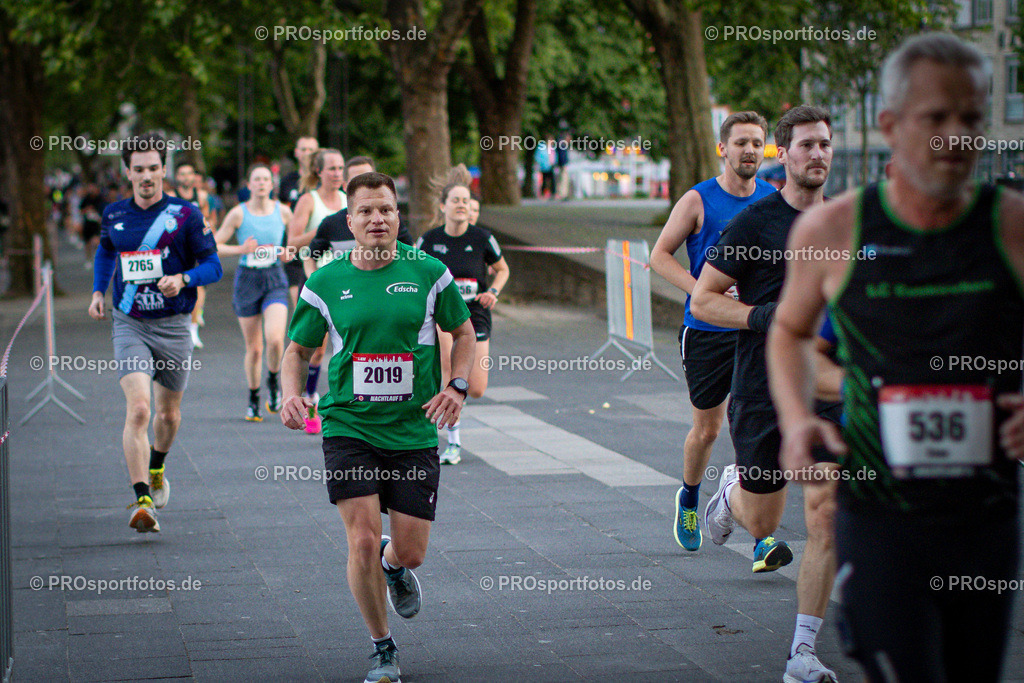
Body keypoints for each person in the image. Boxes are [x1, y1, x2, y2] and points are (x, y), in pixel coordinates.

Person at [768, 33, 1024, 683]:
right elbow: (790, 331)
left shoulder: (1012, 226)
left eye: (970, 117)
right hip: (876, 509)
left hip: (983, 514)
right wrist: (798, 417)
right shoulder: (833, 231)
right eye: (936, 118)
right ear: (889, 126)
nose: (957, 136)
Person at [280, 171, 475, 683]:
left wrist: (456, 385)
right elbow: (296, 351)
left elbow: (464, 331)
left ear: (397, 216)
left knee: (410, 549)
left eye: (385, 209)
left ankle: (395, 566)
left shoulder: (431, 272)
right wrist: (290, 393)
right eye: (365, 211)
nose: (376, 219)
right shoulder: (324, 281)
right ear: (350, 220)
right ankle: (382, 646)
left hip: (412, 430)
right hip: (348, 425)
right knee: (362, 539)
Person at [692, 106, 840, 682]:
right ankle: (734, 493)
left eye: (825, 144)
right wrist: (765, 317)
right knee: (764, 520)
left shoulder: (847, 224)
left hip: (827, 389)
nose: (818, 155)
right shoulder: (756, 223)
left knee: (826, 515)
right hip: (761, 387)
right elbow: (704, 301)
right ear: (785, 154)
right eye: (806, 145)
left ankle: (802, 652)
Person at [649, 111, 775, 552]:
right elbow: (660, 255)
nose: (750, 151)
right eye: (741, 142)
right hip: (704, 330)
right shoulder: (698, 200)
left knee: (753, 425)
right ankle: (689, 495)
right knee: (709, 430)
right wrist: (701, 291)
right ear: (723, 149)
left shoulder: (771, 200)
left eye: (757, 143)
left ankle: (758, 531)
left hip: (754, 329)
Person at [89, 132, 223, 533]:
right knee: (140, 409)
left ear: (162, 169)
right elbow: (106, 250)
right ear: (127, 172)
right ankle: (141, 498)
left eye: (153, 168)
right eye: (138, 169)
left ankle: (158, 466)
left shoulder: (186, 214)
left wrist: (183, 278)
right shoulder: (114, 214)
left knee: (167, 413)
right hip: (129, 323)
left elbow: (213, 266)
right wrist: (98, 291)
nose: (146, 176)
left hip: (175, 326)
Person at [416, 165, 510, 465]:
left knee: (477, 387)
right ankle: (453, 443)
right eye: (455, 201)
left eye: (466, 202)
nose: (462, 206)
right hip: (444, 315)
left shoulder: (482, 238)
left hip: (476, 313)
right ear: (443, 206)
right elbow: (417, 274)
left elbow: (503, 269)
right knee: (450, 371)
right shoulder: (429, 241)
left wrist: (493, 291)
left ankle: (451, 424)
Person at [214, 165, 294, 421]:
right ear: (249, 184)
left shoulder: (284, 211)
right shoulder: (238, 213)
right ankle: (253, 397)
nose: (261, 183)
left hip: (274, 278)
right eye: (256, 179)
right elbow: (214, 247)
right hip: (247, 280)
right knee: (254, 348)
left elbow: (297, 243)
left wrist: (288, 251)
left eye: (265, 179)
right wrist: (241, 250)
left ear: (272, 184)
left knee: (275, 339)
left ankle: (272, 380)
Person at [287, 148, 346, 434]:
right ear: (318, 172)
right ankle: (310, 398)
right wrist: (325, 229)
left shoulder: (350, 200)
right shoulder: (308, 201)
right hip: (317, 280)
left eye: (340, 168)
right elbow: (292, 243)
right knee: (317, 349)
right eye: (332, 168)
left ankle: (346, 403)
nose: (337, 173)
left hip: (349, 282)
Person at [309, 156, 414, 270]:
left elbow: (412, 250)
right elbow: (310, 257)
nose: (377, 219)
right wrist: (316, 282)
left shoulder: (390, 219)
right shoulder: (331, 222)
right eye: (357, 180)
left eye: (369, 177)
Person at [174, 161, 213, 349]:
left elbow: (206, 219)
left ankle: (193, 328)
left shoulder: (202, 196)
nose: (185, 177)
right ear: (176, 177)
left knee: (197, 286)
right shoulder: (171, 197)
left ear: (193, 177)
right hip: (176, 248)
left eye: (188, 174)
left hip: (196, 247)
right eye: (181, 174)